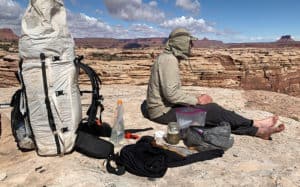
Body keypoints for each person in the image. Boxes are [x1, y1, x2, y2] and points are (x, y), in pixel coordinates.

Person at [143, 27, 285, 140]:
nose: (191, 46)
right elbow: (171, 94)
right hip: (162, 114)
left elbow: (170, 92)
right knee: (213, 111)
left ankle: (258, 131)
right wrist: (197, 100)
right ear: (181, 43)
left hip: (167, 109)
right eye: (189, 43)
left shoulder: (166, 57)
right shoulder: (169, 60)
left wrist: (195, 101)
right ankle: (256, 124)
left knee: (214, 114)